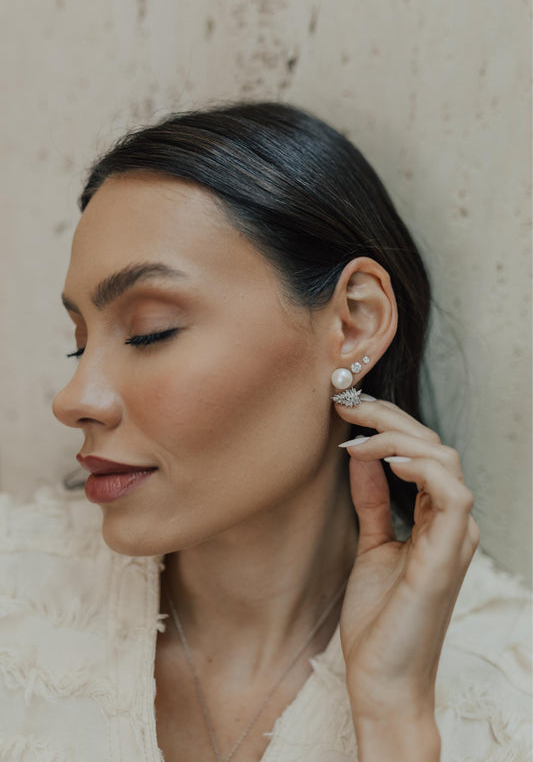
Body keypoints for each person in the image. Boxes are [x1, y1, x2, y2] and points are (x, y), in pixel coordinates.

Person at [0, 102, 530, 762]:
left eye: (150, 331)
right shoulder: (16, 600)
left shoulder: (508, 700)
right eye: (80, 343)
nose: (75, 398)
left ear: (354, 322)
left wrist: (393, 716)